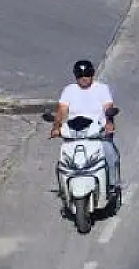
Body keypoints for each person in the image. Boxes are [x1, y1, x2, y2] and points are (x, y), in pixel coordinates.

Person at [51, 59, 121, 190]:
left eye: (87, 75)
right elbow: (62, 110)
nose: (84, 78)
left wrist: (109, 123)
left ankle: (112, 186)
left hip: (97, 134)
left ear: (92, 75)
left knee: (110, 154)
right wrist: (56, 127)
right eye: (80, 76)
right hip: (74, 134)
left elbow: (108, 108)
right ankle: (64, 189)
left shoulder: (101, 88)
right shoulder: (69, 90)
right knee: (63, 162)